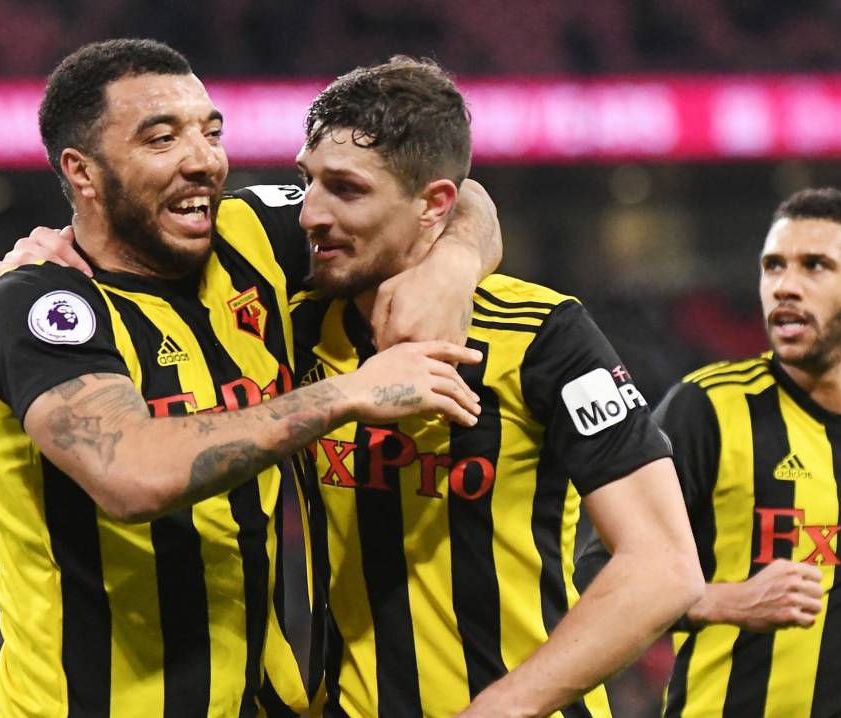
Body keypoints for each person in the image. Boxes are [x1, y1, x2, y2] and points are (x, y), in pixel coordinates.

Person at [0, 39, 499, 717]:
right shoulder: (39, 307)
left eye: (210, 132)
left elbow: (448, 194)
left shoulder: (254, 234)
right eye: (162, 139)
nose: (203, 160)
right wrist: (344, 394)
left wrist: (451, 263)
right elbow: (129, 473)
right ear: (83, 172)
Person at [286, 58, 702, 718]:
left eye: (346, 189)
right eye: (305, 180)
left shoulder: (543, 334)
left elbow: (662, 566)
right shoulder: (296, 321)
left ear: (433, 205)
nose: (310, 213)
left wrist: (498, 710)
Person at [579, 188, 841, 717]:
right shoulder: (707, 410)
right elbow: (597, 570)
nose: (785, 286)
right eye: (773, 267)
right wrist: (728, 602)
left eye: (814, 266)